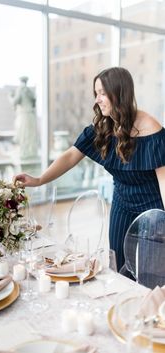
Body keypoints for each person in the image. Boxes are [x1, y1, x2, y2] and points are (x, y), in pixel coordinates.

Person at [14, 67, 165, 271]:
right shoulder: (103, 127)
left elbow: (164, 182)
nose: (97, 100)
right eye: (96, 94)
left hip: (152, 209)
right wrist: (39, 180)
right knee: (117, 265)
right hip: (122, 203)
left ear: (119, 93)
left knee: (149, 272)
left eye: (102, 93)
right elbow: (70, 156)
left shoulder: (151, 130)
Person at [10, 76, 39, 160]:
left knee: (23, 134)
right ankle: (30, 151)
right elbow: (34, 103)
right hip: (30, 115)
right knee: (29, 135)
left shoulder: (20, 89)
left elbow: (15, 101)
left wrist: (10, 96)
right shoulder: (30, 91)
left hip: (24, 115)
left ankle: (25, 152)